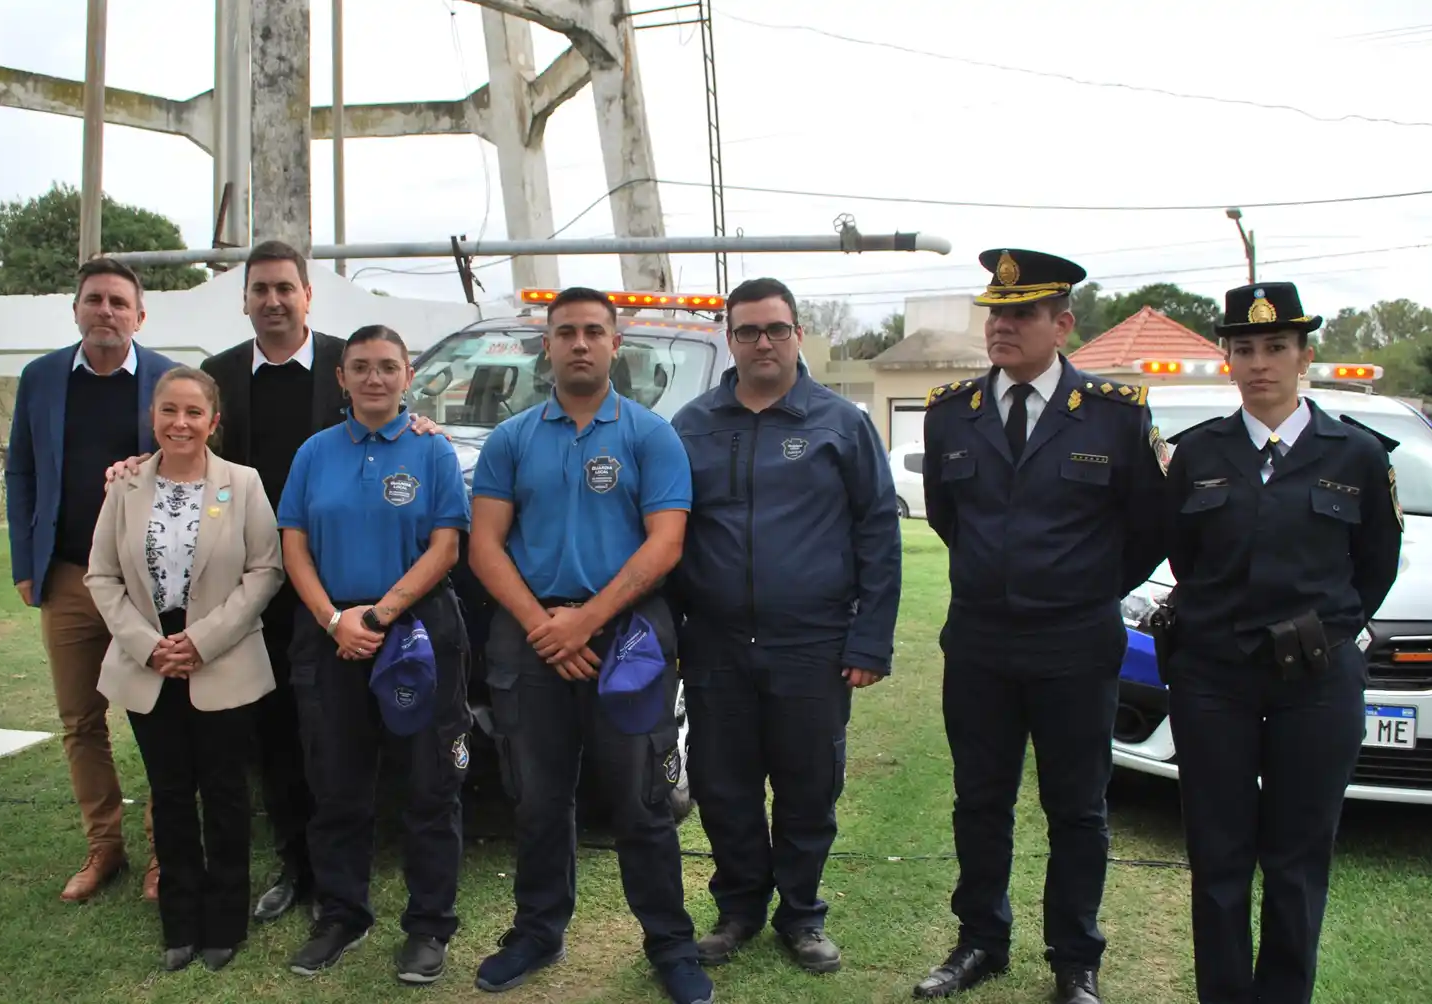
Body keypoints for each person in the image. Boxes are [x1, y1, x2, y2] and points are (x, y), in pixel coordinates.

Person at [103, 239, 450, 923]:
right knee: (279, 731)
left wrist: (419, 427)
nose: (272, 301)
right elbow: (190, 441)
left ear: (306, 295)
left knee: (355, 735)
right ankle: (296, 865)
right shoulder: (222, 372)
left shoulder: (345, 360)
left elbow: (385, 417)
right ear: (245, 300)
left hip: (338, 578)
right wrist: (139, 465)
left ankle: (359, 871)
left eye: (284, 288)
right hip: (248, 582)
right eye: (259, 290)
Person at [914, 249, 1170, 1004]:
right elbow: (948, 518)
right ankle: (980, 942)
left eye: (1021, 314)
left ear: (1062, 324)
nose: (1003, 327)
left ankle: (1075, 958)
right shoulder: (950, 410)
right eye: (996, 313)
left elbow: (1148, 528)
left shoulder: (1118, 415)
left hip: (1075, 644)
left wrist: (1077, 587)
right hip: (983, 643)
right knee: (979, 801)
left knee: (1078, 807)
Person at [468, 287, 713, 1004]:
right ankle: (538, 932)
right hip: (530, 634)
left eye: (593, 332)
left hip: (628, 635)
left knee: (641, 802)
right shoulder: (511, 440)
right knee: (539, 800)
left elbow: (666, 544)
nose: (579, 343)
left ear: (615, 346)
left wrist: (585, 621)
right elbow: (485, 546)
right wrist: (548, 626)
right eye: (566, 332)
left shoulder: (648, 435)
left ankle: (670, 944)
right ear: (546, 346)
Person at [1161, 282, 1402, 1004]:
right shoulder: (1196, 454)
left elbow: (1376, 567)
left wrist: (1320, 627)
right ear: (1227, 360)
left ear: (1305, 356)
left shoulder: (1357, 454)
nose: (1259, 363)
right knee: (1219, 856)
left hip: (1316, 681)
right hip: (1215, 679)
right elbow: (1183, 558)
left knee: (1297, 860)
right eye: (1244, 349)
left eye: (1275, 348)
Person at [668, 277, 902, 973]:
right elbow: (664, 528)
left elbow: (878, 534)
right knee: (722, 784)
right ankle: (740, 908)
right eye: (747, 331)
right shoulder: (692, 426)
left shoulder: (841, 422)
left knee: (807, 785)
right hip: (713, 643)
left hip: (813, 643)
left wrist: (869, 639)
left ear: (798, 334)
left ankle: (801, 915)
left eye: (775, 328)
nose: (762, 342)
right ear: (729, 339)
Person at [276, 324, 472, 987]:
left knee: (428, 785)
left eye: (387, 366)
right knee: (335, 785)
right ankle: (342, 914)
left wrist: (381, 615)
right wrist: (335, 619)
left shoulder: (432, 450)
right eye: (360, 366)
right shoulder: (314, 453)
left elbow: (446, 548)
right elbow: (293, 545)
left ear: (408, 373)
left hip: (415, 631)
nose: (374, 378)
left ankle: (428, 925)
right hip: (331, 632)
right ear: (342, 377)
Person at [84, 367, 283, 972]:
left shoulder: (242, 484)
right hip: (149, 662)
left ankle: (224, 921)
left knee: (224, 794)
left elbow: (265, 570)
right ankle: (180, 921)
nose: (181, 423)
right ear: (153, 417)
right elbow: (101, 575)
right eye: (169, 410)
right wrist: (149, 644)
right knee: (170, 795)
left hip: (221, 659)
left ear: (213, 422)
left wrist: (200, 641)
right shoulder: (124, 488)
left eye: (194, 412)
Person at [4, 257, 175, 903]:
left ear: (139, 315)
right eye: (94, 300)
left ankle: (166, 851)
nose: (106, 312)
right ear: (76, 308)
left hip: (143, 585)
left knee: (154, 716)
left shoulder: (164, 378)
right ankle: (104, 847)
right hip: (69, 576)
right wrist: (26, 563)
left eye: (118, 302)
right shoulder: (41, 379)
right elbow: (20, 471)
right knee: (81, 721)